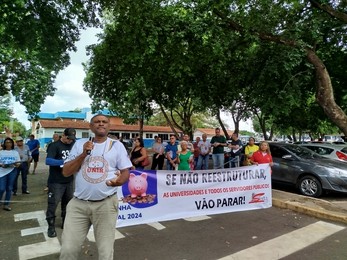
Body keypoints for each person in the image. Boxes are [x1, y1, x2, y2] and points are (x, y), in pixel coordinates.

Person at [59, 114, 132, 260]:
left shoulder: (117, 146)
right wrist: (83, 154)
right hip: (78, 205)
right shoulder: (80, 144)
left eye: (104, 122)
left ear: (109, 126)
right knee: (68, 250)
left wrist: (117, 182)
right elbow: (66, 172)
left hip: (105, 204)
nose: (101, 124)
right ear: (91, 126)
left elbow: (125, 172)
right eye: (97, 122)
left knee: (105, 252)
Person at [45, 128, 76, 238]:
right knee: (53, 204)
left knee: (68, 204)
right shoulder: (54, 146)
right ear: (63, 135)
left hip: (69, 180)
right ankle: (51, 226)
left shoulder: (73, 145)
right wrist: (64, 162)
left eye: (72, 139)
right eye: (68, 138)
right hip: (56, 181)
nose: (69, 141)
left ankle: (65, 223)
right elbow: (48, 161)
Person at [0, 137, 21, 211]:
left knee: (9, 188)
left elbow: (18, 162)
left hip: (12, 171)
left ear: (12, 143)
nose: (8, 144)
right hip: (2, 172)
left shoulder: (15, 152)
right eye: (6, 142)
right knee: (1, 188)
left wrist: (17, 164)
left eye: (9, 142)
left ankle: (6, 204)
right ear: (4, 144)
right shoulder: (1, 152)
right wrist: (1, 165)